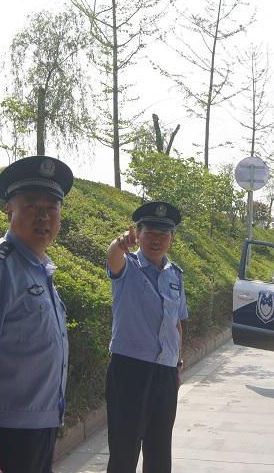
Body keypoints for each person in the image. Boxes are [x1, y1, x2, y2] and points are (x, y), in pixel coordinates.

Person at [0, 156, 73, 473]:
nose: (43, 216)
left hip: (39, 426)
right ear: (10, 210)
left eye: (52, 207)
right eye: (32, 206)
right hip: (5, 430)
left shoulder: (39, 268)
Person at [105, 201, 188, 473]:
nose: (156, 239)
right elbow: (112, 257)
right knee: (124, 451)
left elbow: (176, 323)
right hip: (130, 369)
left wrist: (177, 365)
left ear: (172, 239)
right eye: (150, 232)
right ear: (137, 234)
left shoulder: (175, 275)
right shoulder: (127, 267)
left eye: (163, 234)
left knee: (160, 450)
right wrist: (120, 242)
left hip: (165, 372)